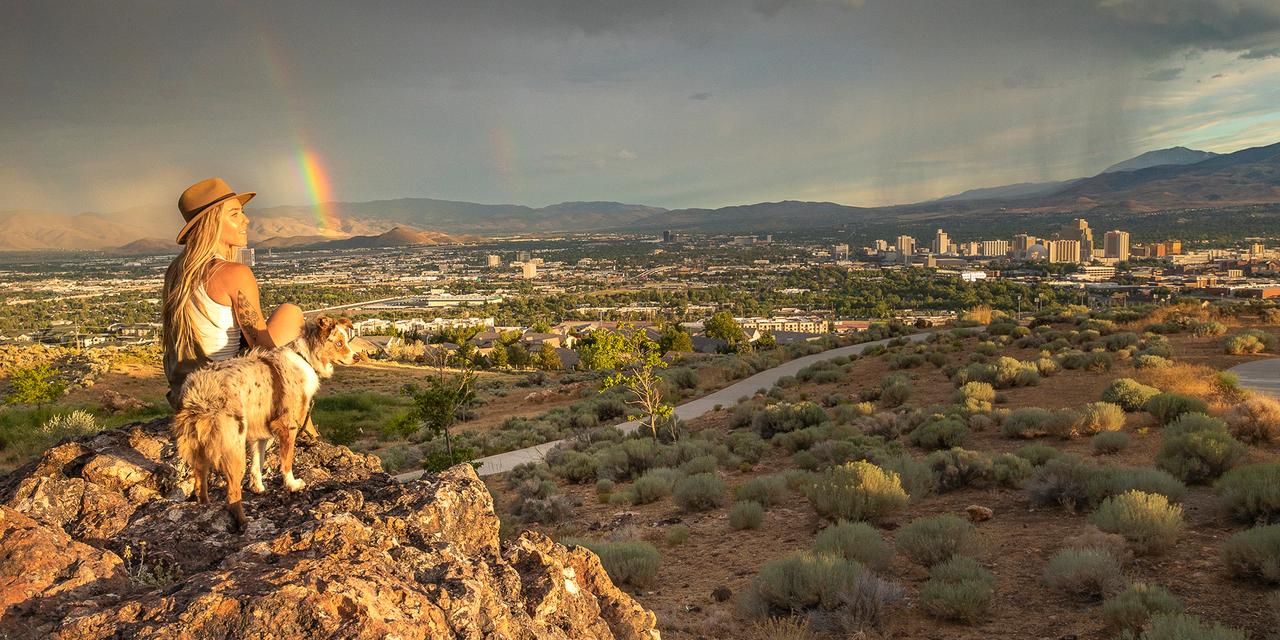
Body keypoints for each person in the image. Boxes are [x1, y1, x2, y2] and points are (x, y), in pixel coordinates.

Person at [162, 177, 304, 410]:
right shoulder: (234, 273)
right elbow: (264, 349)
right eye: (235, 214)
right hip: (226, 393)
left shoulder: (176, 272)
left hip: (186, 394)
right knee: (290, 313)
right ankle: (302, 427)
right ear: (212, 222)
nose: (246, 220)